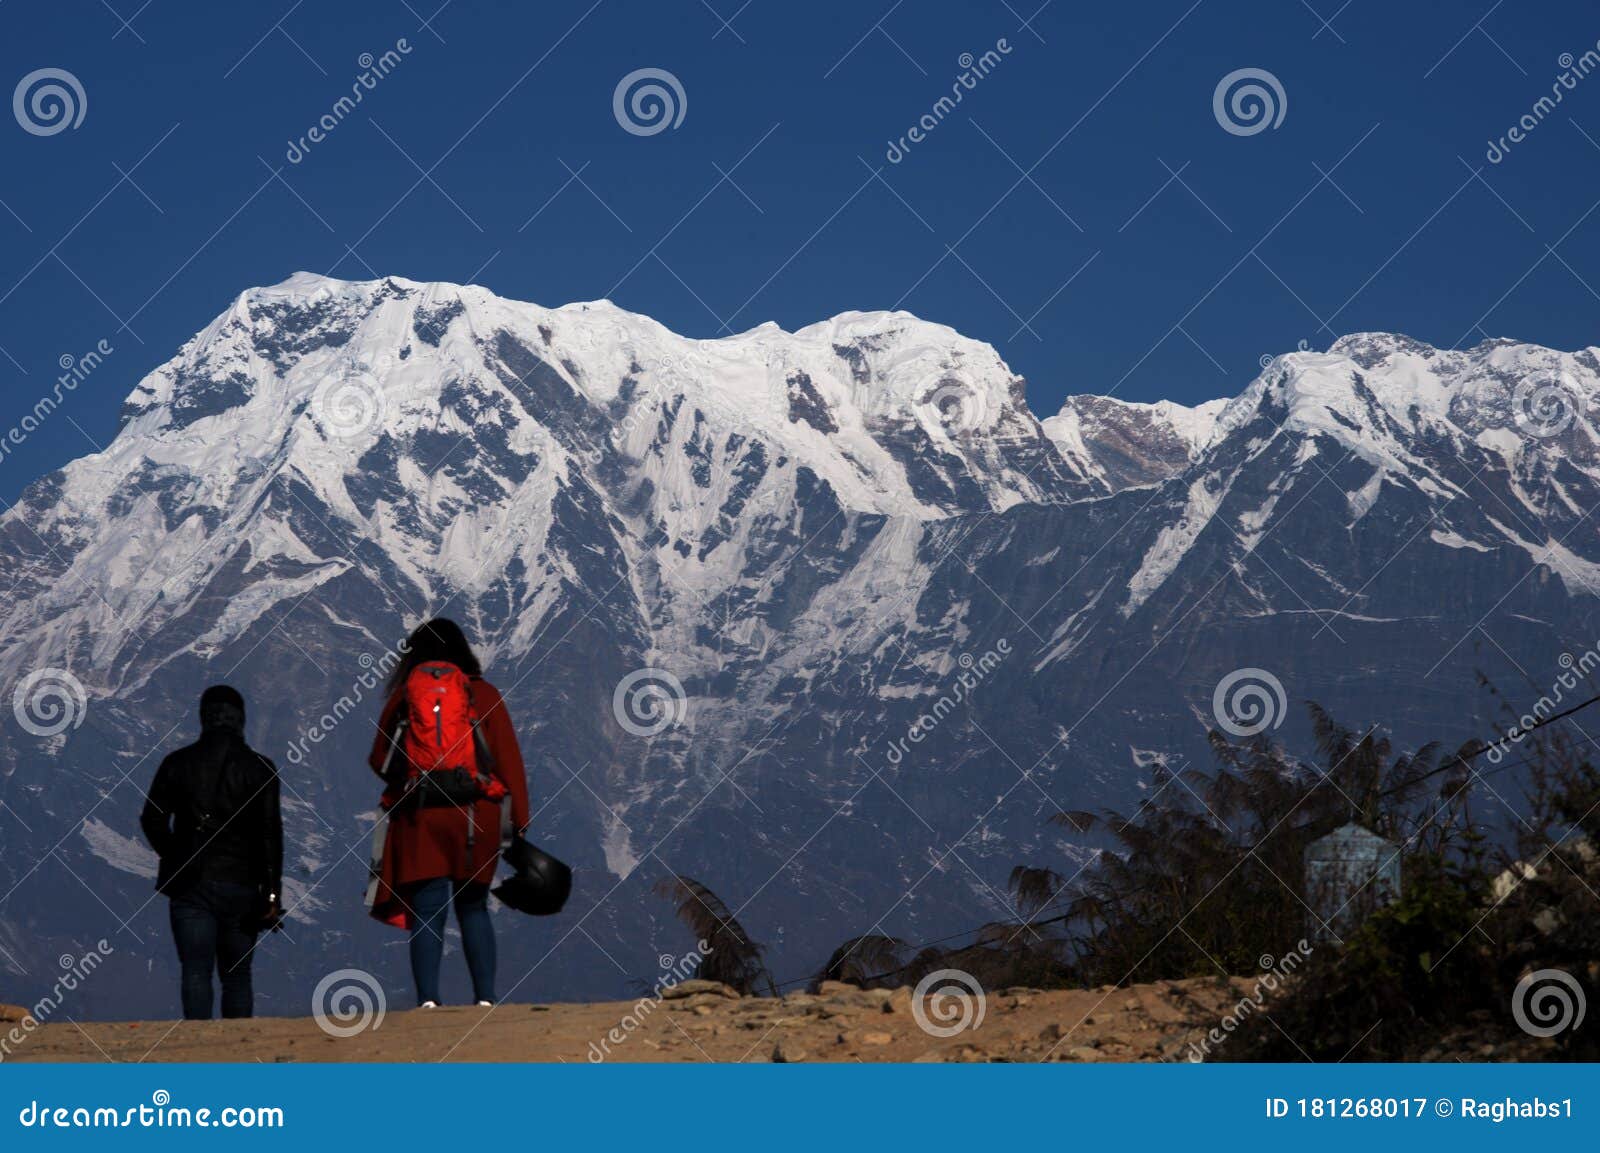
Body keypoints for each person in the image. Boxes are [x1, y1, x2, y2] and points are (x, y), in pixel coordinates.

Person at [366, 619, 530, 1008]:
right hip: (476, 815)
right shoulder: (483, 695)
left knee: (427, 909)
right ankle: (486, 998)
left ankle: (427, 1001)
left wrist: (412, 776)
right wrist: (518, 823)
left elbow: (378, 758)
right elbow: (508, 762)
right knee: (473, 905)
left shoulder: (405, 696)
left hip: (422, 815)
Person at [139, 685, 283, 1020]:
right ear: (241, 720)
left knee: (195, 970)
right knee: (237, 976)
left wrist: (175, 855)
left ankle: (198, 1051)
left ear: (204, 718)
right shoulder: (261, 769)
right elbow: (270, 836)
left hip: (190, 884)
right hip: (243, 885)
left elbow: (152, 818)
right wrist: (272, 893)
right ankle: (237, 1051)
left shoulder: (176, 763)